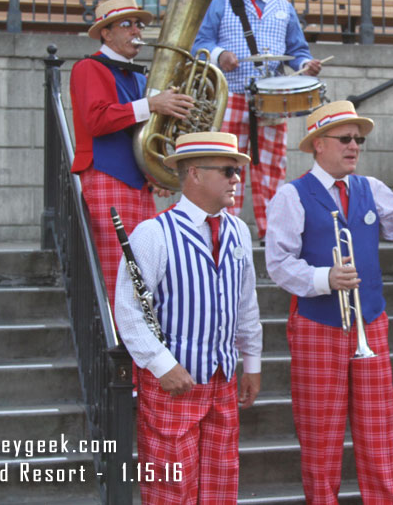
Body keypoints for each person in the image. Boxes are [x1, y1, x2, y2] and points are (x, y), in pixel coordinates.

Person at [265, 100, 393, 504]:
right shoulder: (291, 195)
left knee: (379, 428)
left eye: (358, 139)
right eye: (344, 139)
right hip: (317, 323)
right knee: (320, 433)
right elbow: (277, 264)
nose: (354, 146)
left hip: (370, 322)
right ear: (317, 145)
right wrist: (323, 277)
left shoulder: (370, 188)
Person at [115, 131, 263, 505]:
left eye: (237, 171)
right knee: (170, 490)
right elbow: (127, 310)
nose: (236, 179)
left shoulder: (239, 231)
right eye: (229, 170)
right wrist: (161, 364)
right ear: (195, 174)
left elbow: (246, 303)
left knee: (220, 487)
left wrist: (253, 361)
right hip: (171, 385)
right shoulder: (153, 233)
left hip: (223, 379)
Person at [70, 0, 194, 314]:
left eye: (139, 24)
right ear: (105, 33)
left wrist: (157, 173)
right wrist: (152, 105)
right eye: (126, 24)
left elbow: (144, 135)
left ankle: (142, 345)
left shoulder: (139, 77)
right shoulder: (88, 67)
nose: (136, 30)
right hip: (106, 176)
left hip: (137, 184)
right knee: (123, 272)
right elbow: (97, 120)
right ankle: (124, 351)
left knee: (144, 268)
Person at [193, 0, 322, 241]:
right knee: (225, 167)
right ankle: (224, 232)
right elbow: (201, 43)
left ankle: (272, 235)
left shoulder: (283, 7)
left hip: (272, 102)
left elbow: (297, 50)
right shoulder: (221, 1)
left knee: (272, 170)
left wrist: (307, 64)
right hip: (232, 96)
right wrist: (219, 55)